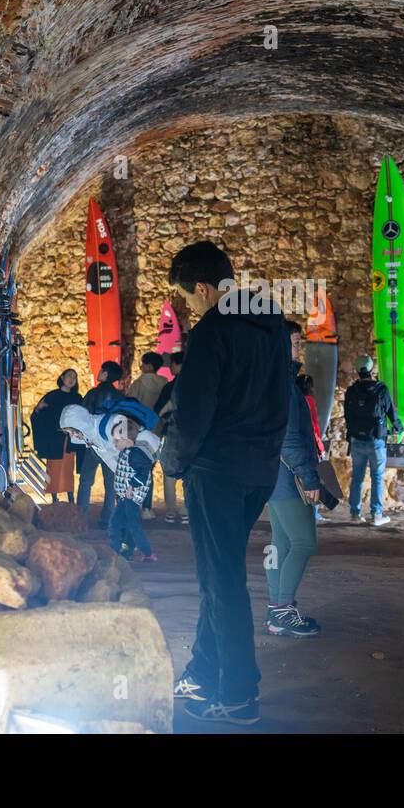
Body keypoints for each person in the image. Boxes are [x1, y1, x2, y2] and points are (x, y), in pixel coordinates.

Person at [161, 241, 291, 726]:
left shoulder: (214, 331)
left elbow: (191, 413)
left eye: (187, 299)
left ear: (202, 288)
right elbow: (285, 396)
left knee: (222, 581)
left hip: (217, 472)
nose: (189, 309)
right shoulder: (271, 324)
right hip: (259, 469)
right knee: (219, 576)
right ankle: (202, 670)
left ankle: (239, 694)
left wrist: (172, 464)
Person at [264, 321, 322, 638]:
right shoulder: (284, 385)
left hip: (274, 477)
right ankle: (283, 610)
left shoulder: (277, 381)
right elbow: (288, 438)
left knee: (281, 543)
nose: (301, 348)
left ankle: (277, 611)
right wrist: (308, 476)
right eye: (295, 342)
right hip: (288, 479)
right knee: (303, 543)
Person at [60, 403, 160, 562]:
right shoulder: (91, 435)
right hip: (127, 479)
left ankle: (137, 551)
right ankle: (124, 550)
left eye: (73, 430)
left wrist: (133, 481)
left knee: (126, 519)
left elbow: (132, 448)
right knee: (122, 519)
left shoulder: (107, 426)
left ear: (81, 424)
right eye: (68, 432)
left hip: (134, 477)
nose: (73, 435)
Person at [342, 355, 400, 526]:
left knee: (357, 477)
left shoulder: (352, 390)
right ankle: (376, 514)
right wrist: (398, 426)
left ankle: (355, 513)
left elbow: (347, 415)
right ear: (371, 368)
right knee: (377, 477)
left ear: (357, 370)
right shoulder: (380, 389)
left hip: (357, 440)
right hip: (376, 440)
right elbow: (390, 411)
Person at [77, 360, 124, 526]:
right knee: (110, 483)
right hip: (111, 445)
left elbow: (83, 416)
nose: (99, 372)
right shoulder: (120, 396)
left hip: (94, 444)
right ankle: (107, 519)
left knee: (86, 481)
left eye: (101, 370)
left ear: (105, 374)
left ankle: (81, 517)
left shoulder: (92, 394)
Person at [29, 369, 81, 505]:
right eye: (69, 376)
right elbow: (38, 416)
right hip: (54, 440)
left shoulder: (77, 398)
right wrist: (38, 409)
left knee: (68, 469)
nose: (71, 379)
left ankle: (71, 498)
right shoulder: (51, 396)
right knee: (53, 469)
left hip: (69, 440)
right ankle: (54, 499)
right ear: (62, 377)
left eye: (74, 377)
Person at [127, 352, 168, 520]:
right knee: (150, 468)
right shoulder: (165, 383)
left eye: (143, 364)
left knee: (137, 468)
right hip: (158, 430)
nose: (141, 367)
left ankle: (135, 505)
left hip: (140, 430)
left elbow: (129, 404)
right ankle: (147, 508)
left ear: (149, 366)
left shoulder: (138, 383)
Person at [154, 350, 187, 525]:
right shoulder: (197, 385)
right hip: (191, 435)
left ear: (178, 365)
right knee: (189, 473)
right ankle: (187, 510)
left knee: (169, 473)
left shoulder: (169, 387)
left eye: (173, 364)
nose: (171, 367)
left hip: (170, 433)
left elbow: (158, 410)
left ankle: (171, 511)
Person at [296, 372, 329, 524]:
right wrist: (320, 448)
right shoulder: (308, 400)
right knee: (315, 478)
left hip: (296, 444)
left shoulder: (293, 398)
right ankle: (314, 513)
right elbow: (314, 426)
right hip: (309, 445)